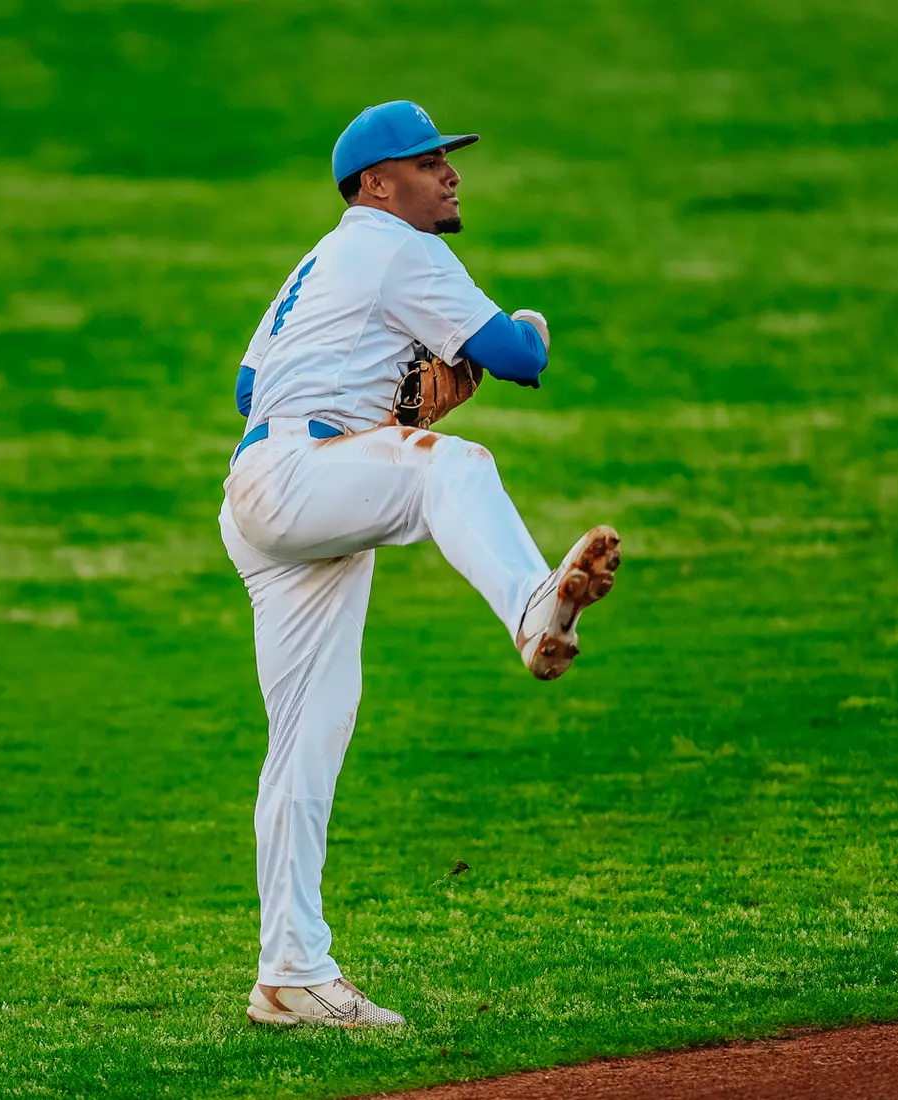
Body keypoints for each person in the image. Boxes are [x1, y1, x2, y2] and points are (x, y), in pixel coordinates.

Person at [222, 101, 622, 1028]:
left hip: (267, 489)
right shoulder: (401, 249)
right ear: (376, 185)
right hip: (302, 479)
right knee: (451, 464)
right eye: (427, 162)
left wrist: (379, 402)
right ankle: (533, 607)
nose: (450, 174)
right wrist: (532, 322)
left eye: (447, 159)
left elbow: (248, 388)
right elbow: (514, 356)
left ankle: (290, 973)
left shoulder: (318, 262)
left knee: (308, 739)